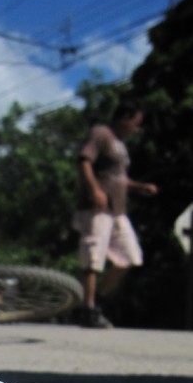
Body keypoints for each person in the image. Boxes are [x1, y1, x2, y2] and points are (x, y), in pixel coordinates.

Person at [72, 102, 157, 328]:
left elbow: (117, 177)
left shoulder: (120, 145)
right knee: (93, 257)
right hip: (97, 208)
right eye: (135, 124)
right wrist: (95, 189)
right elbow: (84, 161)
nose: (136, 129)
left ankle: (96, 299)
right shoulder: (102, 134)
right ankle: (87, 310)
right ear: (124, 118)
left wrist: (139, 186)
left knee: (130, 257)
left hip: (118, 211)